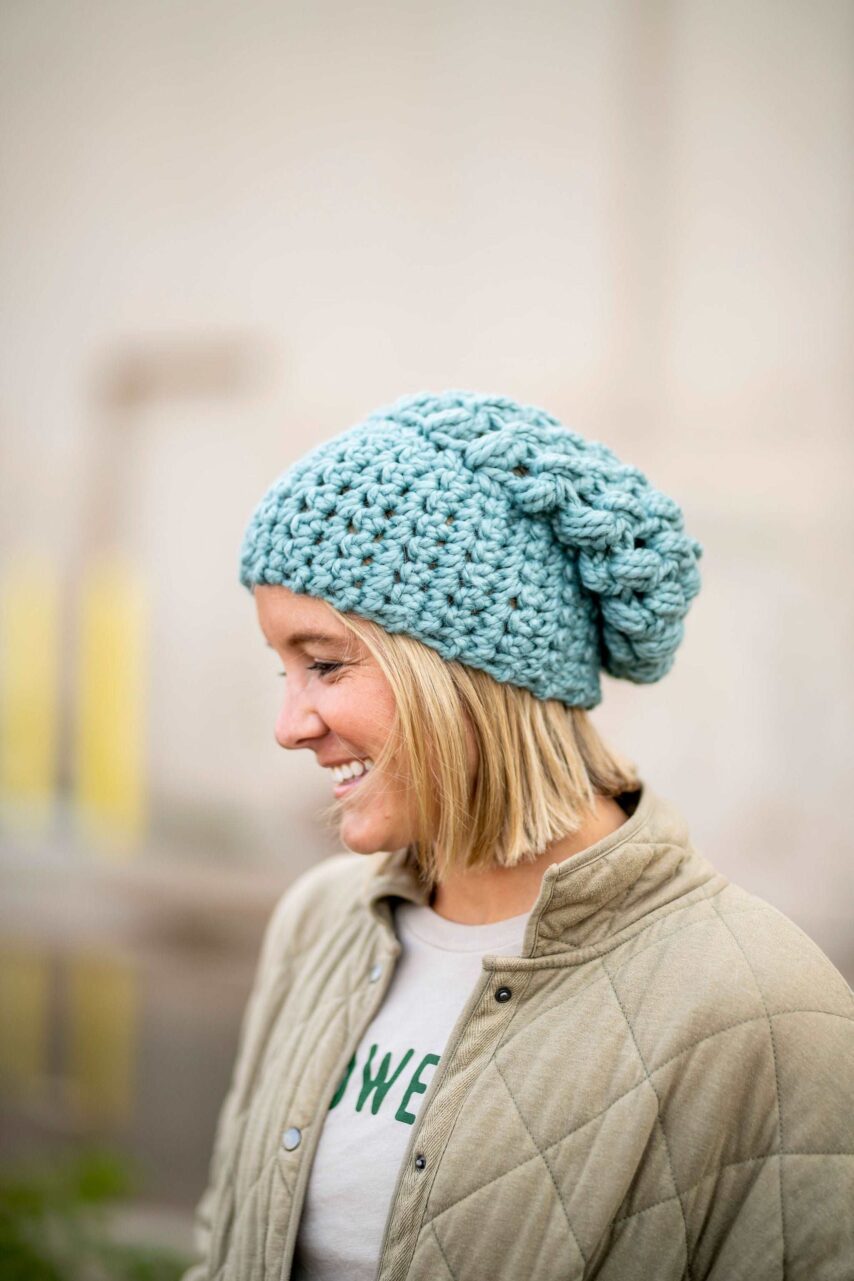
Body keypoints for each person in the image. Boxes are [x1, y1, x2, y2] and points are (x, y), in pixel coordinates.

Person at [182, 391, 853, 1281]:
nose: (289, 725)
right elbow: (222, 1244)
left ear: (474, 671)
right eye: (283, 670)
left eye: (327, 664)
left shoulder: (760, 1007)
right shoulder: (318, 923)